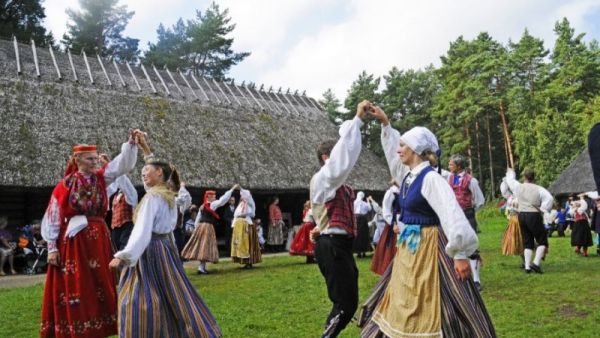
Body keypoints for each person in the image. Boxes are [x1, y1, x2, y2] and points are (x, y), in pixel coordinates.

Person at [359, 106, 495, 338]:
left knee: (444, 301)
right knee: (405, 295)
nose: (399, 150)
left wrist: (461, 254)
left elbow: (451, 213)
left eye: (403, 146)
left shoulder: (431, 178)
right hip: (410, 246)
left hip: (431, 245)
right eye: (399, 145)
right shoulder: (409, 176)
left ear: (416, 150)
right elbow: (394, 159)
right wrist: (385, 124)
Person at [40, 129, 143, 338]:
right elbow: (54, 213)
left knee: (100, 281)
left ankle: (100, 326)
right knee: (78, 282)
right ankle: (78, 326)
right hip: (76, 240)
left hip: (97, 238)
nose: (95, 161)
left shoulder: (101, 178)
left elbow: (120, 166)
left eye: (96, 158)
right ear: (77, 159)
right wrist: (52, 247)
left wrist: (131, 144)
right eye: (90, 158)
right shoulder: (66, 185)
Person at [109, 154, 221, 338]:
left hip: (149, 250)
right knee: (173, 294)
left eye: (147, 171)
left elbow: (142, 230)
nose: (143, 175)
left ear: (159, 172)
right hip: (164, 249)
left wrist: (124, 255)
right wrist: (147, 153)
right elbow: (154, 182)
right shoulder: (167, 195)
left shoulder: (153, 198)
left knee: (140, 297)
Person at [309, 100, 371, 338]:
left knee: (349, 302)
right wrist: (357, 119)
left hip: (338, 245)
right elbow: (344, 156)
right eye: (334, 154)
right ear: (327, 157)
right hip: (332, 245)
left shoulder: (332, 181)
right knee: (345, 305)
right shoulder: (325, 177)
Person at [447, 154, 485, 290]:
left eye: (451, 164)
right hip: (453, 216)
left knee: (471, 247)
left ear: (458, 166)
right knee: (454, 245)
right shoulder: (450, 178)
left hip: (467, 215)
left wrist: (470, 209)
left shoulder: (471, 181)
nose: (449, 166)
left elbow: (480, 200)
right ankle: (458, 277)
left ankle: (476, 280)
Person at [505, 169, 553, 274]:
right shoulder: (539, 189)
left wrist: (510, 172)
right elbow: (549, 198)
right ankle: (535, 264)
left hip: (521, 215)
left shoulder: (518, 186)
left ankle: (527, 267)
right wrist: (543, 209)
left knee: (528, 241)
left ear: (524, 177)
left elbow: (510, 180)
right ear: (534, 178)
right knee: (542, 240)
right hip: (533, 215)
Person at [182, 186, 237, 274]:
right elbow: (222, 200)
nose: (215, 197)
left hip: (201, 227)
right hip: (207, 227)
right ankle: (201, 268)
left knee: (202, 247)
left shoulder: (203, 206)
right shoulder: (211, 205)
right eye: (213, 196)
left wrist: (196, 228)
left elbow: (198, 218)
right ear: (209, 197)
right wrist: (231, 190)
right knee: (205, 246)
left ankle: (201, 267)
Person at [370, 181, 400, 276]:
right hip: (395, 225)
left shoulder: (407, 188)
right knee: (392, 251)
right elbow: (386, 211)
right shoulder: (392, 192)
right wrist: (393, 223)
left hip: (408, 224)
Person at [230, 188, 262, 268]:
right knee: (241, 245)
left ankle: (249, 262)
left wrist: (241, 188)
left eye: (243, 195)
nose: (242, 197)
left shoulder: (250, 203)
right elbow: (236, 215)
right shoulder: (240, 205)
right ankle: (245, 261)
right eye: (241, 196)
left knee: (248, 244)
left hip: (247, 225)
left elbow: (248, 197)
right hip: (239, 226)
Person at [106, 174, 138, 251]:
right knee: (115, 250)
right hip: (115, 228)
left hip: (127, 225)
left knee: (124, 250)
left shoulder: (130, 193)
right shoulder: (115, 195)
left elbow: (124, 183)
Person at [500, 179, 523, 257]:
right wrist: (506, 180)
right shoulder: (511, 196)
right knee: (516, 240)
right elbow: (504, 191)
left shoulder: (520, 197)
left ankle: (527, 261)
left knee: (521, 240)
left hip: (519, 219)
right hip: (513, 220)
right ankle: (524, 261)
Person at [353, 191, 372, 258]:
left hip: (357, 219)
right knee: (363, 235)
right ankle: (363, 252)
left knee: (358, 235)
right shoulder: (365, 203)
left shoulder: (354, 203)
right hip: (363, 219)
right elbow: (370, 209)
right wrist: (368, 201)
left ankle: (359, 252)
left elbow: (352, 210)